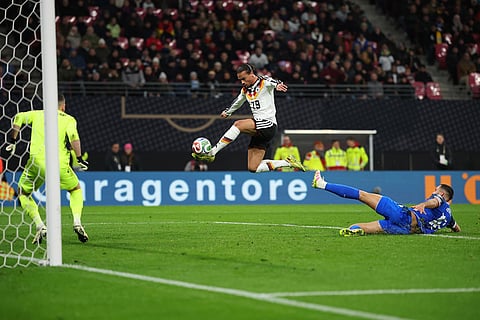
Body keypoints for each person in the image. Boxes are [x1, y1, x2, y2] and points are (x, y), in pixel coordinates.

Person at [5, 94, 89, 244]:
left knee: (23, 192)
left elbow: (18, 117)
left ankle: (40, 225)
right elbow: (74, 137)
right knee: (75, 189)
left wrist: (13, 140)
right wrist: (79, 157)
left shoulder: (37, 114)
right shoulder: (69, 119)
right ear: (63, 106)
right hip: (59, 164)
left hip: (36, 163)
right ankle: (76, 221)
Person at [192, 63, 305, 173]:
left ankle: (213, 151)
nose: (242, 82)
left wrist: (278, 85)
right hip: (260, 131)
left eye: (244, 78)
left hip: (268, 124)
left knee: (238, 125)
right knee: (253, 168)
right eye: (240, 79)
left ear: (251, 74)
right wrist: (228, 112)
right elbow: (237, 102)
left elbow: (274, 82)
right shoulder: (245, 90)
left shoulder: (264, 81)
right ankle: (287, 162)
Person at [311, 171, 461, 236]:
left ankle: (322, 184)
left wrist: (424, 204)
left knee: (362, 195)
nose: (433, 192)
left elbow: (434, 202)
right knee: (358, 226)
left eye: (436, 190)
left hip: (404, 216)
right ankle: (356, 230)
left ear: (442, 194)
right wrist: (454, 227)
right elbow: (456, 228)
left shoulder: (438, 200)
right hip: (407, 230)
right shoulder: (449, 217)